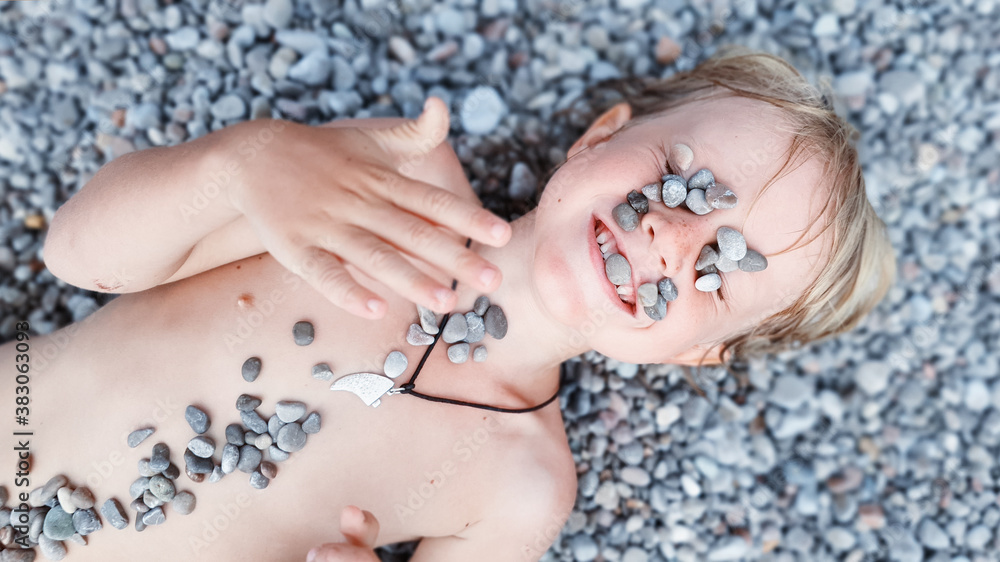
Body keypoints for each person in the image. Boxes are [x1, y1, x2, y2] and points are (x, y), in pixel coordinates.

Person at [0, 47, 894, 561]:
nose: (667, 235)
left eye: (716, 272)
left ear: (702, 355)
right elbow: (78, 252)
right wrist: (242, 161)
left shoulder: (521, 490)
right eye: (679, 180)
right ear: (598, 139)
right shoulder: (396, 175)